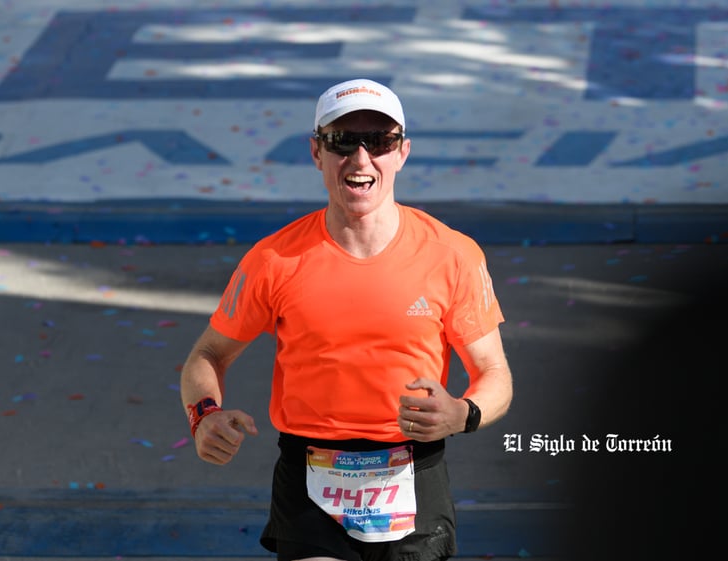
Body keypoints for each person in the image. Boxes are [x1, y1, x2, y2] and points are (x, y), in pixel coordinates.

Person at [180, 78, 514, 561]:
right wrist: (203, 416)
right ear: (317, 153)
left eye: (379, 142)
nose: (361, 160)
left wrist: (463, 413)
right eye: (342, 142)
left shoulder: (453, 255)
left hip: (413, 470)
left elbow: (494, 374)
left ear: (402, 152)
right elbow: (208, 354)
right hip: (309, 476)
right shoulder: (274, 259)